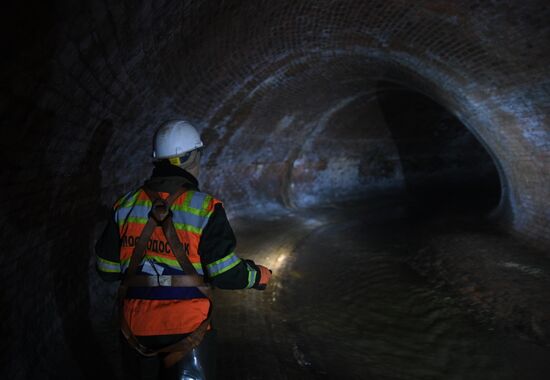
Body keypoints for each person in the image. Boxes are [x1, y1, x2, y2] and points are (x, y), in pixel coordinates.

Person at [95, 120, 272, 380]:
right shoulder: (205, 207)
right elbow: (224, 273)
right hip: (188, 328)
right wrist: (257, 275)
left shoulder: (125, 205)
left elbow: (107, 270)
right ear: (190, 158)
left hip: (136, 327)